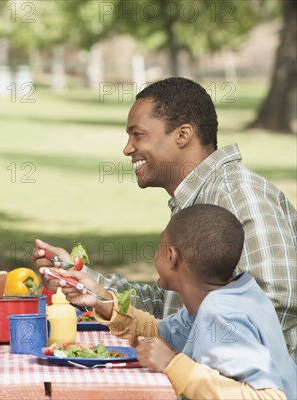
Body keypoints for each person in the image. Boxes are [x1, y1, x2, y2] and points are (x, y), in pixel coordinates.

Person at [34, 77, 297, 360]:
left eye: (138, 135)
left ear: (182, 135)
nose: (127, 149)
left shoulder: (238, 194)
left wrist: (183, 362)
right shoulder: (196, 198)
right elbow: (171, 307)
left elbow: (280, 301)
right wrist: (88, 284)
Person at [44, 204, 296, 399]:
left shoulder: (220, 313)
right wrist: (101, 300)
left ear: (172, 257)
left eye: (159, 247)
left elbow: (271, 396)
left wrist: (173, 365)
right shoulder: (225, 296)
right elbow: (159, 333)